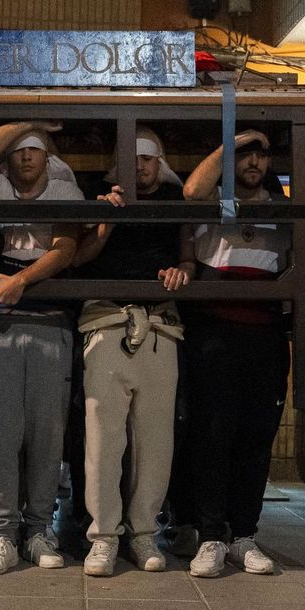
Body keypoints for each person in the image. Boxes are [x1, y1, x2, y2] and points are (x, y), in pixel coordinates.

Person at [0, 121, 81, 574]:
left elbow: (64, 248)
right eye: (20, 150)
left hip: (49, 319)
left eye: (36, 149)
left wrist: (21, 280)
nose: (27, 156)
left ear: (47, 157)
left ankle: (39, 529)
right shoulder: (1, 187)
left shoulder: (64, 190)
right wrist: (32, 120)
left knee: (47, 433)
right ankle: (4, 533)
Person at [72, 128, 188, 577]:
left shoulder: (175, 200)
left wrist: (181, 271)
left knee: (156, 440)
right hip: (105, 320)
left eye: (148, 158)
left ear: (160, 162)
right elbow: (79, 258)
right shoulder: (98, 196)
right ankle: (103, 535)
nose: (139, 165)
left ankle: (143, 532)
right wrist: (104, 223)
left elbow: (187, 257)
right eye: (132, 157)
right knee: (102, 439)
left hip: (160, 323)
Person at [179, 128, 289, 576]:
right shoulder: (213, 201)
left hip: (265, 335)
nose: (254, 162)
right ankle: (210, 537)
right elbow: (191, 191)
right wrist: (233, 141)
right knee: (213, 435)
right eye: (245, 155)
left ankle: (244, 536)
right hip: (215, 333)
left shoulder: (282, 209)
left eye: (261, 154)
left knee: (256, 438)